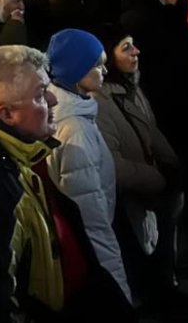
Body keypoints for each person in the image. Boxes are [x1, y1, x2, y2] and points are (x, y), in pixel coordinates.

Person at [0, 45, 123, 322]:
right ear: (7, 114)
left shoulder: (13, 153)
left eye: (47, 87)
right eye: (40, 94)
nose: (52, 99)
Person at [95, 26, 187, 312]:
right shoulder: (102, 101)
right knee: (144, 254)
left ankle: (167, 289)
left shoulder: (130, 87)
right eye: (125, 48)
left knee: (161, 246)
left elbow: (150, 129)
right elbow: (114, 163)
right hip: (136, 194)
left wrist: (173, 167)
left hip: (154, 185)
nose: (136, 52)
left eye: (133, 45)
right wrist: (160, 178)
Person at [46, 29, 131, 305]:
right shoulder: (74, 128)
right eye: (97, 65)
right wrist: (120, 293)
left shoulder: (77, 111)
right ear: (75, 70)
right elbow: (91, 219)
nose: (104, 70)